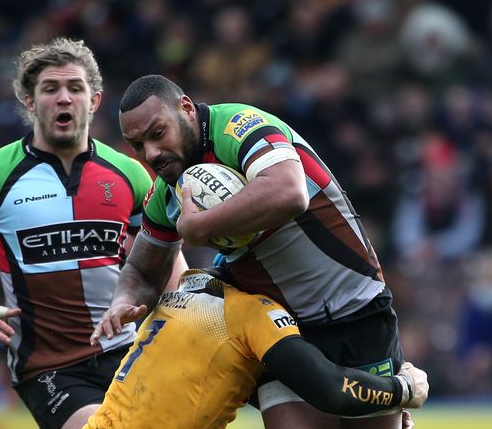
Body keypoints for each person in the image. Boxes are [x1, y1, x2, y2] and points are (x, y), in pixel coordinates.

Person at [93, 74, 408, 428]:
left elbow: (289, 193)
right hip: (282, 330)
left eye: (157, 134)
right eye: (137, 145)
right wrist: (123, 300)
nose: (151, 154)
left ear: (185, 109)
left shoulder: (240, 127)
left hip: (356, 310)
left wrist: (201, 226)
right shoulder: (168, 191)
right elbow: (142, 271)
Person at [0, 39, 186, 429]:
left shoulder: (129, 173)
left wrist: (176, 320)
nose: (64, 99)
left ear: (94, 101)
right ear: (30, 101)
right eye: (50, 89)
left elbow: (164, 253)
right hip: (50, 368)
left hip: (129, 352)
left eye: (75, 89)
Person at [85, 268, 428, 429]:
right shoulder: (251, 312)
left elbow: (210, 378)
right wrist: (402, 390)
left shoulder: (184, 287)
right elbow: (328, 389)